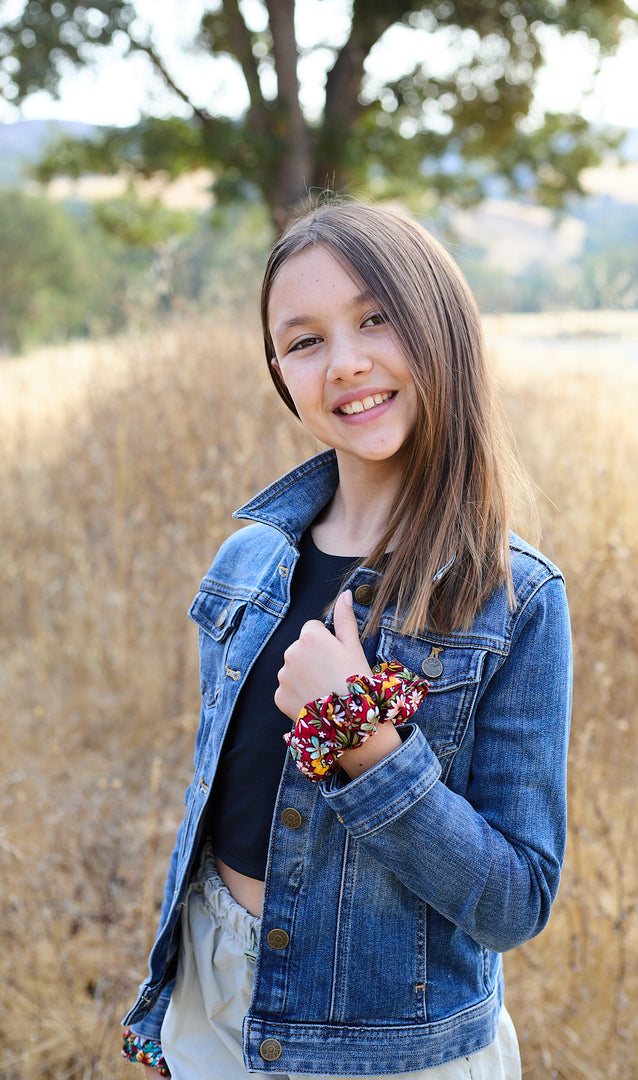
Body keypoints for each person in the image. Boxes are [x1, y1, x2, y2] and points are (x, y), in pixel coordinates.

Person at [121, 199, 572, 1080]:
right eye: (305, 340)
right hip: (213, 1007)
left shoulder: (511, 597)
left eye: (375, 319)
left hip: (391, 1049)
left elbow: (516, 900)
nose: (347, 363)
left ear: (439, 328)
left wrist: (363, 738)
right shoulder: (246, 563)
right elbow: (219, 803)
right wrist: (171, 1003)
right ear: (280, 372)